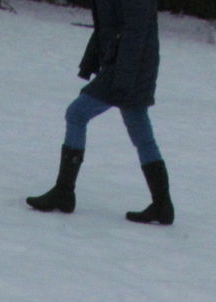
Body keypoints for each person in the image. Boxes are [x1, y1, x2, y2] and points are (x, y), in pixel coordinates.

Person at [26, 0, 174, 225]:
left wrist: (122, 82)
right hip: (125, 67)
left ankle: (64, 191)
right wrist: (92, 61)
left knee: (77, 114)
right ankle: (162, 204)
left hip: (129, 70)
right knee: (140, 131)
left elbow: (135, 34)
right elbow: (105, 27)